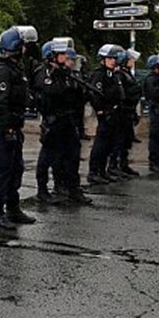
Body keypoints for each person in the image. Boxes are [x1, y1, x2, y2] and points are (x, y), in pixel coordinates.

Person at [0, 25, 38, 229]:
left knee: (16, 168)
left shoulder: (15, 69)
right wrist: (7, 127)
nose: (25, 49)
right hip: (5, 128)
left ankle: (13, 208)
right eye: (23, 46)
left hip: (14, 126)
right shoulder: (3, 71)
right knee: (3, 170)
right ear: (15, 47)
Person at [32, 40, 71, 203]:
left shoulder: (62, 72)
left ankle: (59, 185)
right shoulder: (44, 72)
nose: (64, 56)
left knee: (60, 155)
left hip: (62, 118)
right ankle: (42, 190)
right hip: (51, 119)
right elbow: (50, 91)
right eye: (61, 54)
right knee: (46, 156)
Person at [87, 44, 125, 184]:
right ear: (103, 59)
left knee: (109, 144)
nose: (113, 61)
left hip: (114, 113)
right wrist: (100, 110)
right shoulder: (99, 74)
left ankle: (102, 171)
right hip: (106, 114)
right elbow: (94, 94)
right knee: (100, 145)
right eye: (110, 58)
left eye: (114, 58)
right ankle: (93, 172)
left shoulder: (113, 74)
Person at [63, 48, 93, 204]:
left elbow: (79, 97)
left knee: (73, 155)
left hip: (72, 119)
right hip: (58, 121)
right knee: (55, 157)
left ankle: (72, 188)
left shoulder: (73, 76)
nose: (71, 63)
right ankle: (58, 188)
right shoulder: (54, 75)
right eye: (69, 59)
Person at [110, 48, 142, 177]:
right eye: (131, 60)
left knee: (126, 141)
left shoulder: (127, 74)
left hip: (129, 110)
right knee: (119, 140)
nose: (133, 62)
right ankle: (114, 165)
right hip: (122, 111)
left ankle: (123, 164)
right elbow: (123, 94)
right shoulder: (119, 75)